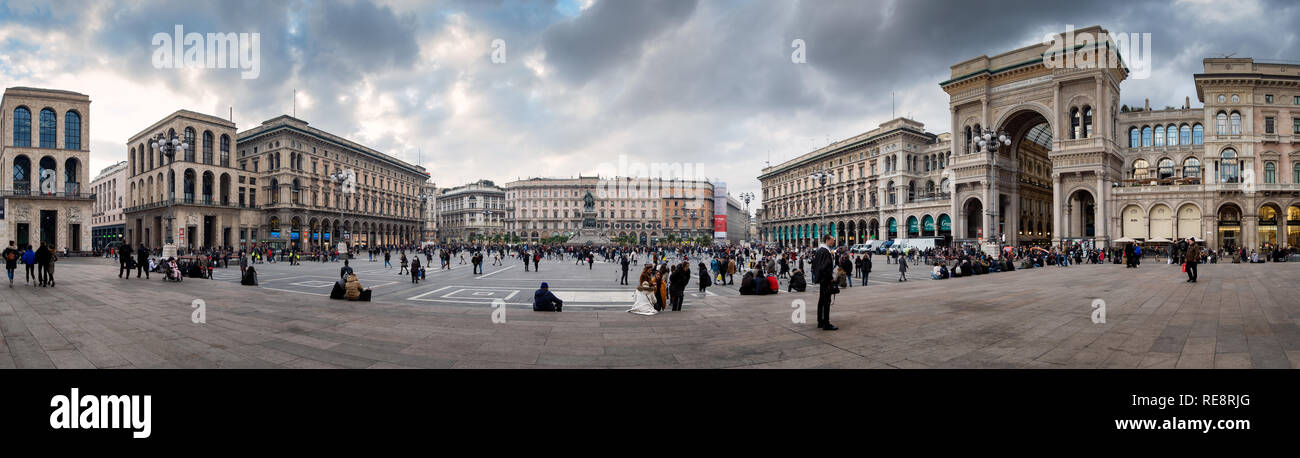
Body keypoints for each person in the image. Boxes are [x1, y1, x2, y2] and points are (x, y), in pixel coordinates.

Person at [812, 234, 838, 330]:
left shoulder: (819, 251)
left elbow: (815, 265)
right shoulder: (826, 252)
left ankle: (820, 321)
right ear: (827, 240)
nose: (833, 242)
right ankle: (826, 323)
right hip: (826, 280)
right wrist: (830, 278)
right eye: (832, 240)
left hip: (821, 280)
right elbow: (825, 268)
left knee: (821, 301)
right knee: (827, 301)